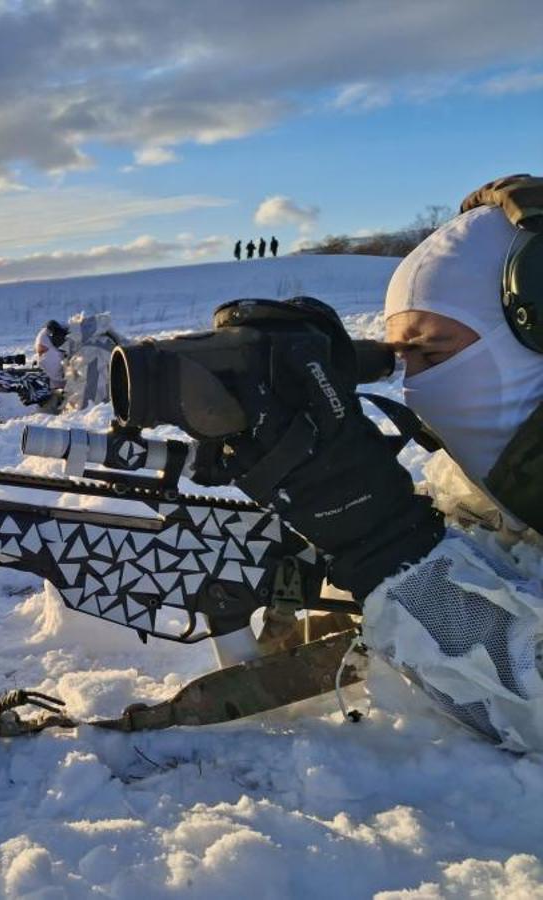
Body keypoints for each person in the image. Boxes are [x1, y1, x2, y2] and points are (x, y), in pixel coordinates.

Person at [217, 180, 543, 751]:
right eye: (402, 359)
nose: (416, 388)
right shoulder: (487, 489)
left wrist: (383, 545)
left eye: (433, 353)